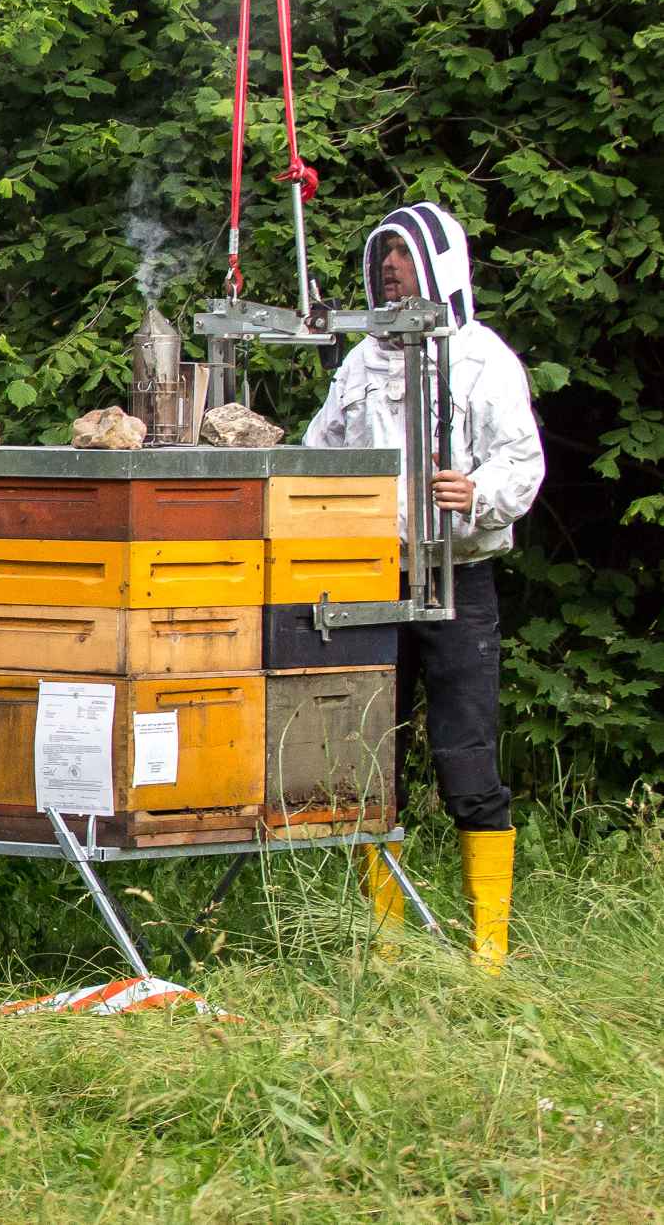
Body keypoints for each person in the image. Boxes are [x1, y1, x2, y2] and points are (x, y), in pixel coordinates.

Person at [303, 202, 545, 969]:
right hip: (372, 577)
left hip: (459, 578)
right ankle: (386, 945)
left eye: (403, 255)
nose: (389, 267)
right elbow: (320, 451)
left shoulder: (483, 358)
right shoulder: (359, 362)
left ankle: (489, 952)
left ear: (439, 263)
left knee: (466, 761)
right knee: (369, 762)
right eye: (383, 255)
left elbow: (523, 461)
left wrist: (474, 491)